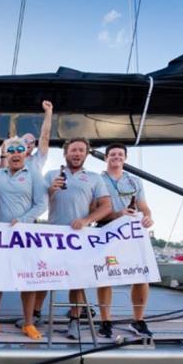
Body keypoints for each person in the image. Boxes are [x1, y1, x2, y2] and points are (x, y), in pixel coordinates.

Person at [38, 137, 112, 340]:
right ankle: (35, 314)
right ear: (65, 153)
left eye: (81, 150)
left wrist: (87, 220)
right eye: (73, 150)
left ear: (86, 154)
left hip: (79, 236)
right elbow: (38, 201)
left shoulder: (96, 178)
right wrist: (51, 189)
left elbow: (106, 206)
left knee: (77, 281)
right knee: (43, 276)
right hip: (52, 234)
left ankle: (75, 320)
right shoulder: (51, 174)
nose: (77, 153)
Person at [0, 139, 48, 340]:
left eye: (19, 150)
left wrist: (22, 220)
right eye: (10, 150)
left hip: (25, 234)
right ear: (6, 155)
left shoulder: (34, 174)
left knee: (28, 281)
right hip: (1, 234)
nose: (15, 153)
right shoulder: (0, 175)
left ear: (25, 154)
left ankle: (28, 324)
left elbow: (42, 204)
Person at [95, 143, 155, 338]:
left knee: (141, 276)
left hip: (132, 233)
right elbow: (94, 210)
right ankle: (105, 321)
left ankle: (138, 320)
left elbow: (144, 206)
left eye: (120, 154)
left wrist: (147, 217)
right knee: (105, 276)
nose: (116, 157)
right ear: (106, 158)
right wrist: (117, 214)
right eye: (113, 154)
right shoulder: (98, 180)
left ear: (125, 158)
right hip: (107, 231)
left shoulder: (134, 181)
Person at [0, 100, 53, 174]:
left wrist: (48, 112)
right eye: (25, 141)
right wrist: (3, 154)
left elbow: (45, 136)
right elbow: (1, 175)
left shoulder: (38, 159)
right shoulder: (11, 158)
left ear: (34, 145)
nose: (29, 143)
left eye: (32, 142)